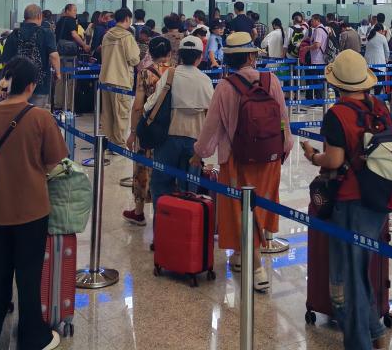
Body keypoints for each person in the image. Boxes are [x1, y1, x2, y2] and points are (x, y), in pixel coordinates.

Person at [0, 57, 68, 350]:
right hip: (30, 208)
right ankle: (32, 336)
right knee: (28, 275)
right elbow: (55, 160)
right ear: (31, 86)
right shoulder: (40, 118)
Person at [302, 50, 392, 350]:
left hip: (351, 202)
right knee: (360, 271)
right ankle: (377, 332)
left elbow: (334, 160)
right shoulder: (379, 107)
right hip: (379, 199)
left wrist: (313, 156)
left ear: (336, 84)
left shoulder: (337, 114)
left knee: (348, 281)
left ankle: (360, 343)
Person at [192, 33, 293, 293]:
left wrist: (200, 152)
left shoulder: (225, 87)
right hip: (269, 158)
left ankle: (256, 267)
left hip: (236, 159)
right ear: (250, 55)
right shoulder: (271, 81)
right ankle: (240, 254)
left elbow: (211, 127)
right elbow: (283, 118)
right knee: (260, 207)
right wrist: (285, 147)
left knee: (239, 209)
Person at [146, 36, 213, 211]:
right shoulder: (205, 80)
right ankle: (186, 222)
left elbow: (149, 105)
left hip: (167, 137)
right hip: (195, 141)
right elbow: (211, 115)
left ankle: (162, 221)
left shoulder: (170, 75)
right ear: (200, 57)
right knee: (189, 189)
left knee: (161, 184)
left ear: (179, 55)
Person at [123, 36, 174, 226]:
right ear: (170, 53)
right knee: (166, 169)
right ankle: (167, 212)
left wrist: (133, 132)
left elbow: (138, 105)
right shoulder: (176, 72)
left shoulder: (145, 73)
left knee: (142, 168)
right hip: (169, 129)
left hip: (149, 128)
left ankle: (138, 212)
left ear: (150, 54)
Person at [1, 4, 60, 107]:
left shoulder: (14, 34)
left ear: (25, 17)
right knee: (36, 113)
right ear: (39, 16)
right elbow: (53, 56)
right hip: (40, 85)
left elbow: (6, 62)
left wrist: (5, 85)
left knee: (17, 112)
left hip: (17, 86)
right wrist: (58, 73)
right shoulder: (46, 33)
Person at [99, 7, 141, 147]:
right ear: (128, 19)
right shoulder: (127, 37)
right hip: (121, 80)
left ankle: (109, 143)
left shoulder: (107, 35)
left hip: (105, 80)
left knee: (108, 114)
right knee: (121, 115)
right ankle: (119, 146)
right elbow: (134, 59)